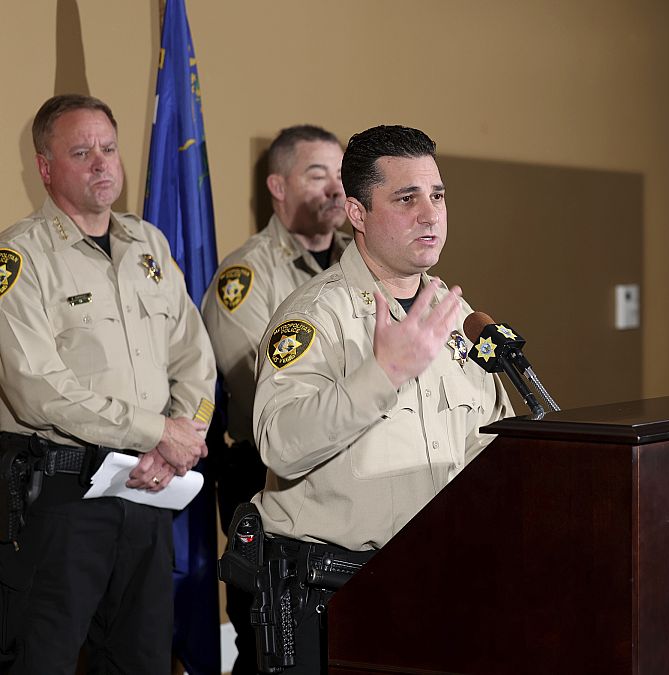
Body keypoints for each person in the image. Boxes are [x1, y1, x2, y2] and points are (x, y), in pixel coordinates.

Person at [247, 124, 513, 672]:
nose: (430, 214)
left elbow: (495, 446)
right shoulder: (314, 316)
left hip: (440, 586)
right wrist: (383, 375)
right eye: (406, 198)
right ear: (358, 213)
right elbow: (280, 445)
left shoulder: (457, 317)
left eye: (438, 195)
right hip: (335, 594)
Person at [0, 94, 216, 673]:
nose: (101, 163)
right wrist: (156, 433)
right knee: (40, 661)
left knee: (142, 662)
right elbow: (37, 389)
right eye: (81, 152)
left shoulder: (150, 244)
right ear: (45, 168)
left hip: (148, 491)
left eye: (109, 148)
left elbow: (195, 356)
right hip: (61, 500)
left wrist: (181, 438)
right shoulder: (19, 257)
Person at [200, 124, 350, 675]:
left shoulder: (357, 264)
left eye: (341, 175)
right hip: (266, 479)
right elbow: (262, 389)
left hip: (346, 477)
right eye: (317, 175)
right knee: (269, 643)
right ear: (278, 187)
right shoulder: (247, 275)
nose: (335, 189)